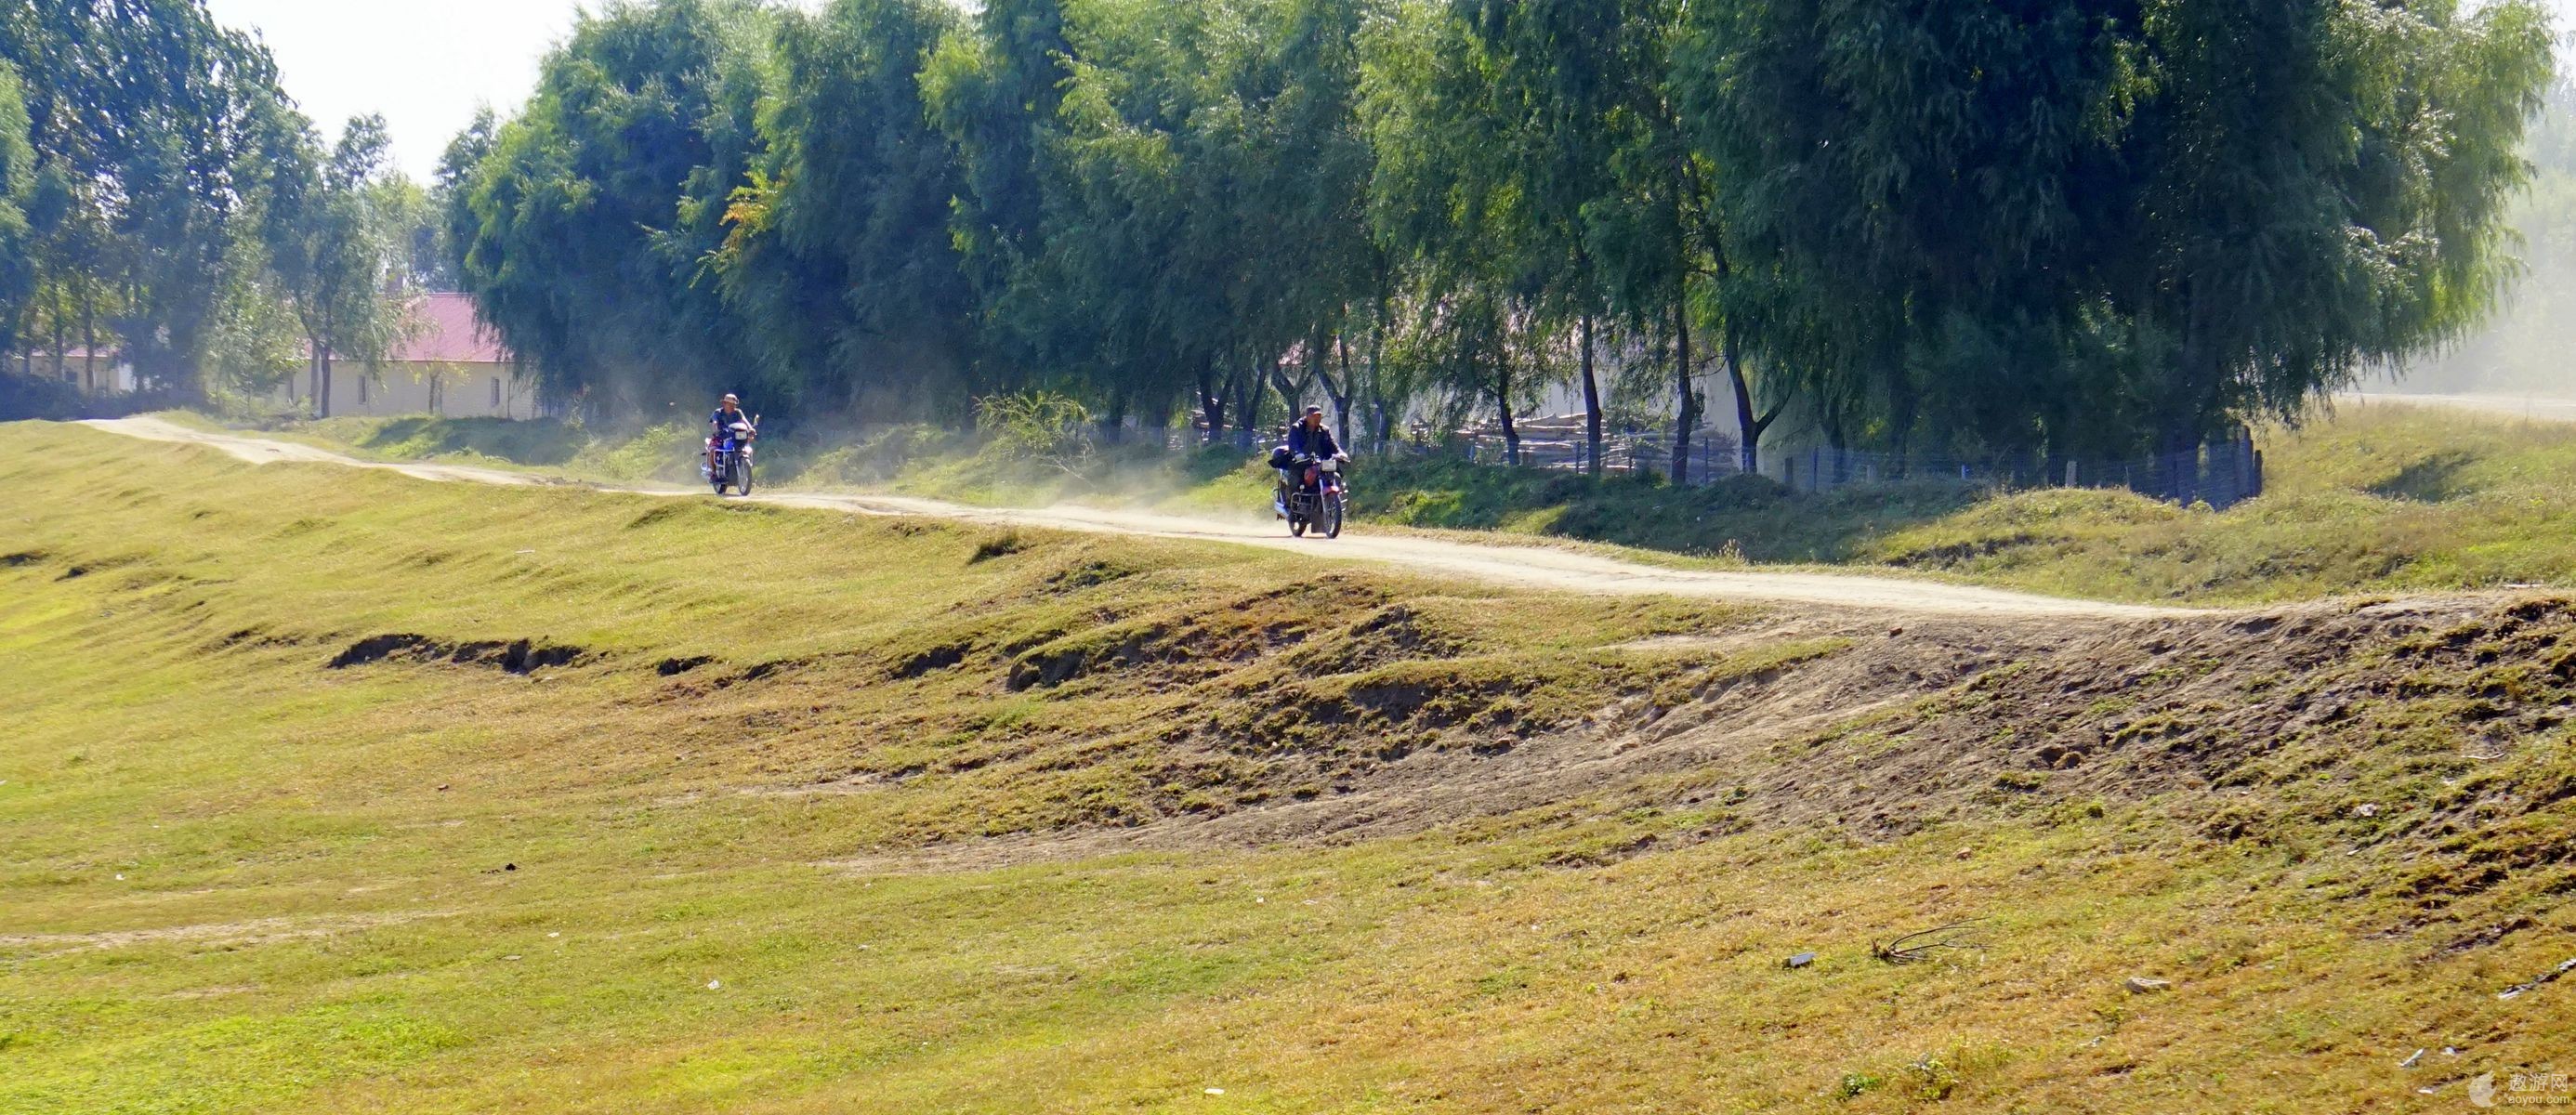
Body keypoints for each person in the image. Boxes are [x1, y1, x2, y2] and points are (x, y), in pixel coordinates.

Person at [707, 393, 754, 476]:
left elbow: (744, 421)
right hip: (720, 436)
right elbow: (714, 422)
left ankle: (744, 466)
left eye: (734, 404)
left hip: (734, 436)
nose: (733, 406)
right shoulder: (718, 412)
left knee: (746, 447)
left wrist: (751, 429)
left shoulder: (738, 412)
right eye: (731, 404)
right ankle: (713, 473)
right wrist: (716, 429)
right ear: (725, 404)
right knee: (712, 450)